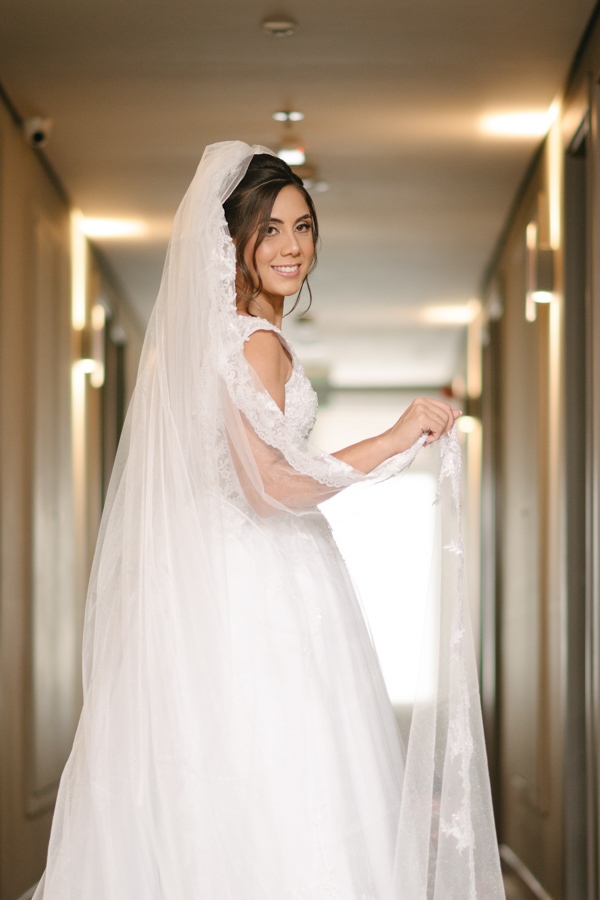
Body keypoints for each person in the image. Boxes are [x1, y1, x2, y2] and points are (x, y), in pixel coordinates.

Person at [34, 141, 504, 899]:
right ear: (235, 245)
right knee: (291, 778)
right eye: (271, 229)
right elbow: (268, 485)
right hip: (261, 589)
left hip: (209, 586)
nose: (293, 247)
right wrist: (394, 434)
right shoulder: (255, 343)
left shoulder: (221, 342)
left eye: (304, 226)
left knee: (225, 786)